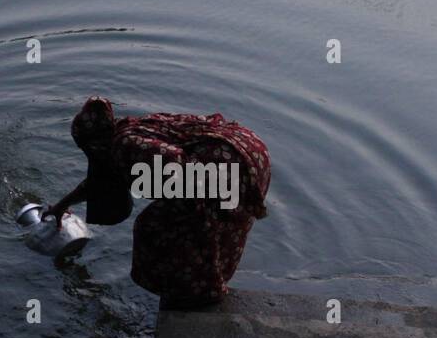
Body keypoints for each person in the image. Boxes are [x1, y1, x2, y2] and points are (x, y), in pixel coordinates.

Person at [44, 97, 271, 309]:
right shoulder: (128, 128)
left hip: (227, 162)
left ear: (94, 142)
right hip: (248, 149)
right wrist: (62, 206)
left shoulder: (126, 145)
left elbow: (176, 163)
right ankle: (204, 286)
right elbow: (99, 182)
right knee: (214, 224)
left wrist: (191, 200)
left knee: (157, 225)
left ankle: (196, 292)